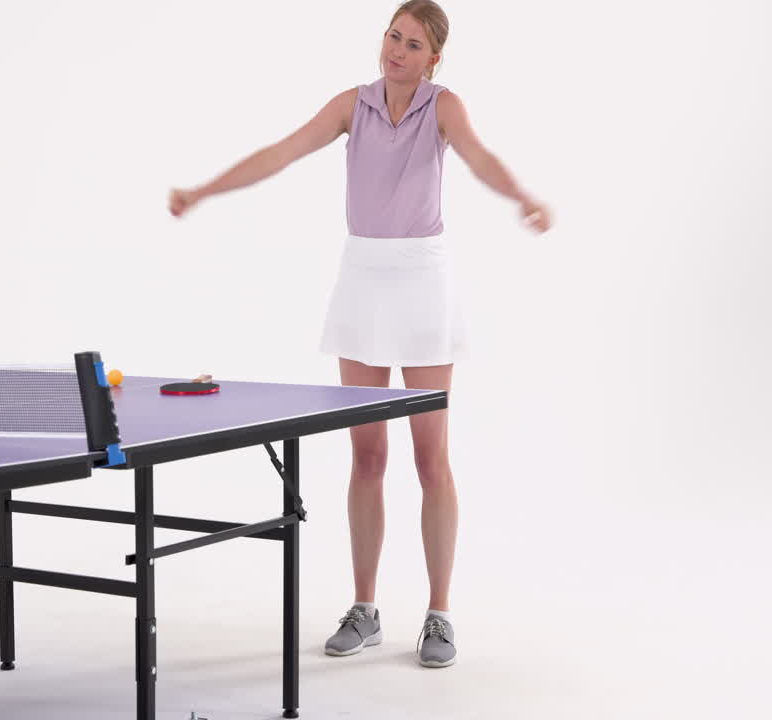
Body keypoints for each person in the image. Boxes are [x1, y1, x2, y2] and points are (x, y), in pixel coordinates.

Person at [168, 0, 552, 668]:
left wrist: (521, 195)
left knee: (431, 456)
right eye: (391, 36)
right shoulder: (354, 104)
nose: (395, 51)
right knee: (366, 455)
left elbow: (480, 158)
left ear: (433, 57)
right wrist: (203, 190)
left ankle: (439, 614)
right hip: (363, 280)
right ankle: (365, 607)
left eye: (411, 44)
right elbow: (281, 152)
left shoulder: (443, 105)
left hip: (423, 282)